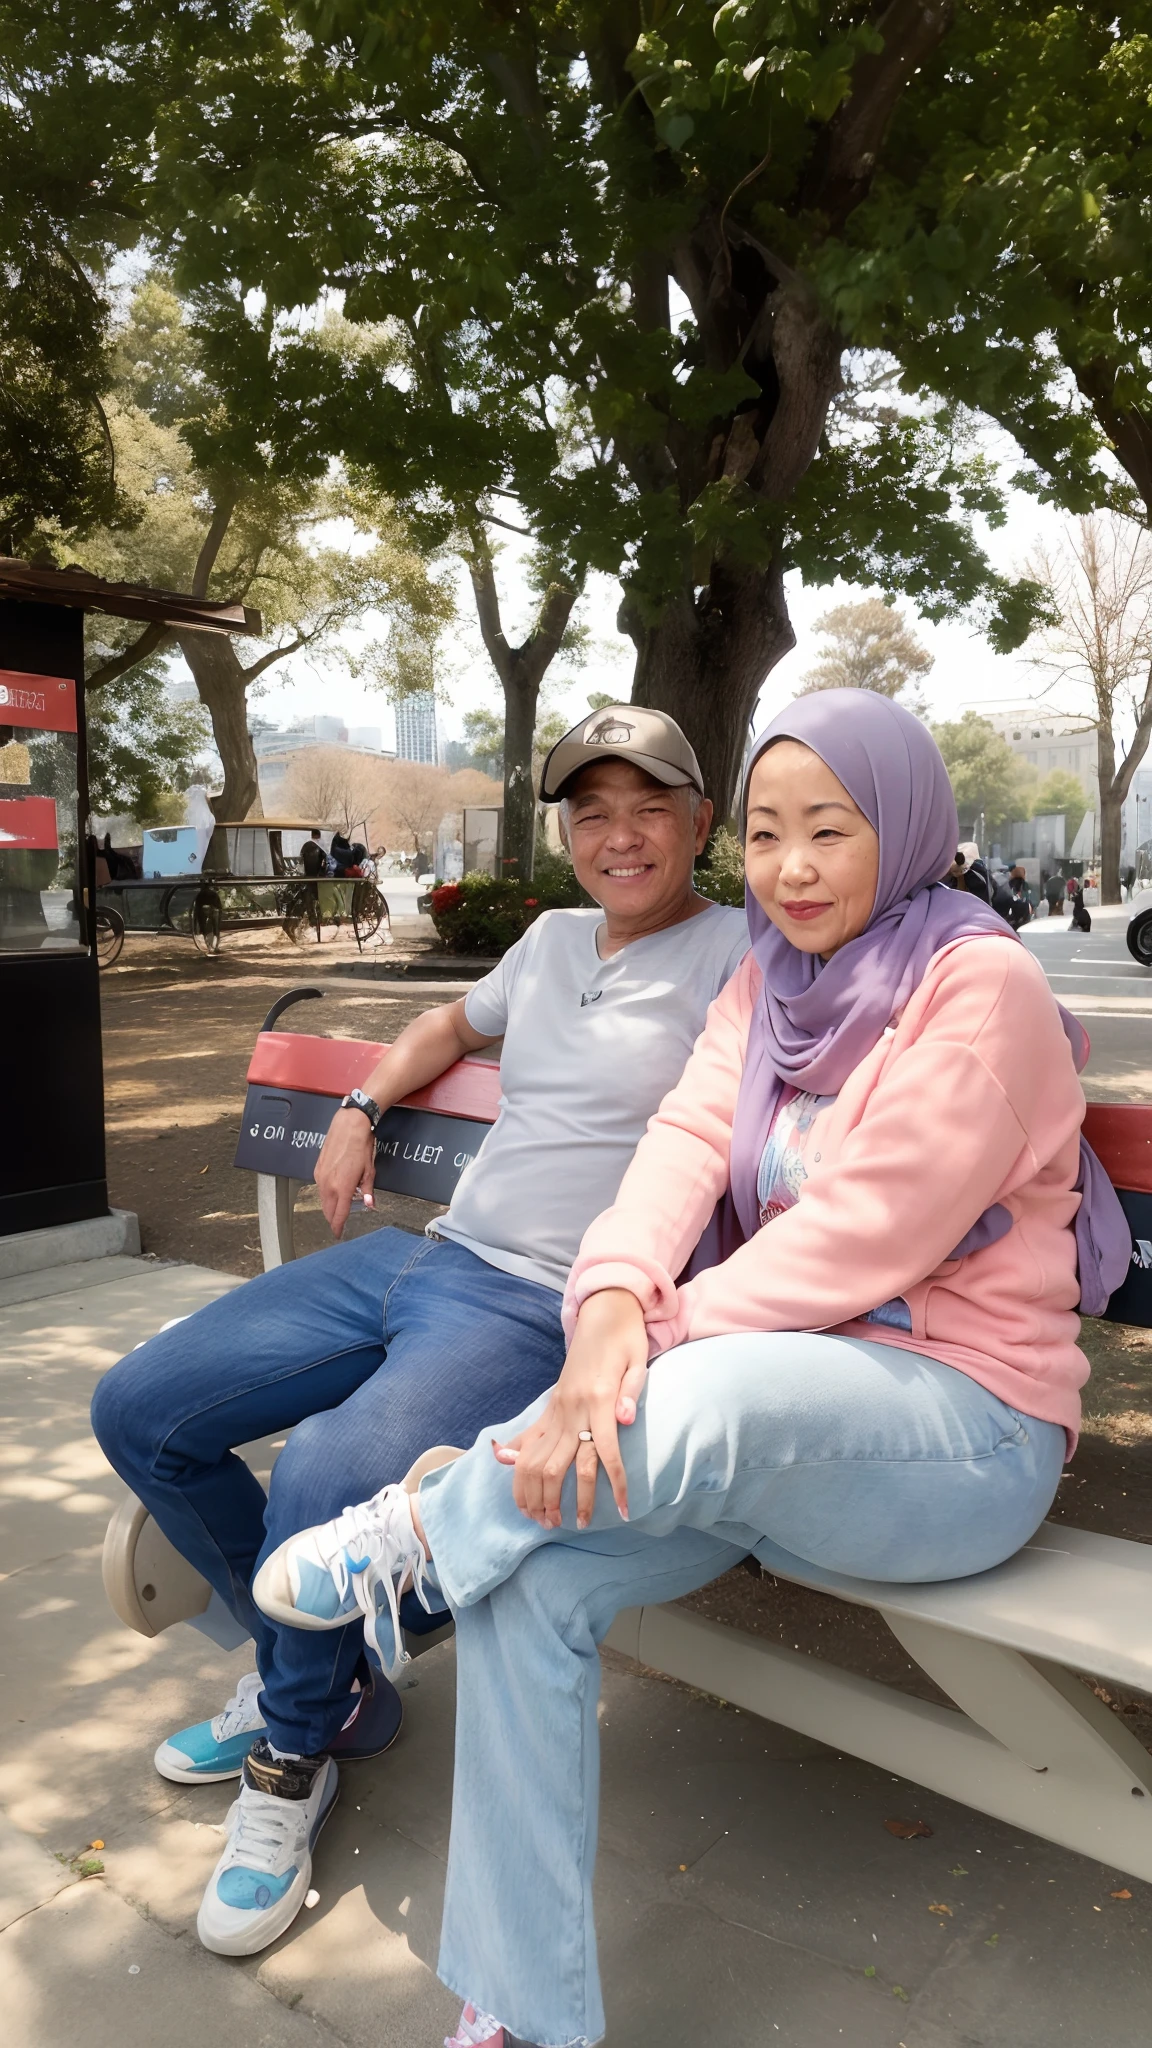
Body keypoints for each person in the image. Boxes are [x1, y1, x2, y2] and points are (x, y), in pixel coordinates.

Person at [258, 689, 1131, 2048]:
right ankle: (524, 2009)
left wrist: (641, 1345)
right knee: (530, 1584)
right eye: (771, 835)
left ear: (901, 831)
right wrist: (609, 1302)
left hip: (962, 1434)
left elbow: (868, 1232)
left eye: (828, 832)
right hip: (753, 1417)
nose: (790, 868)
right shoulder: (767, 980)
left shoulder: (984, 988)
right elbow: (675, 1147)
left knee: (677, 1404)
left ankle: (421, 1530)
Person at [90, 704, 747, 1959]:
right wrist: (358, 1103)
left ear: (702, 824)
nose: (618, 835)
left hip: (548, 1302)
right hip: (426, 1255)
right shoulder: (552, 940)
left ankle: (290, 1756)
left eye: (649, 805)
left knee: (329, 1475)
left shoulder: (741, 955)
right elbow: (451, 1026)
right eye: (590, 810)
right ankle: (330, 1687)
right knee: (141, 1408)